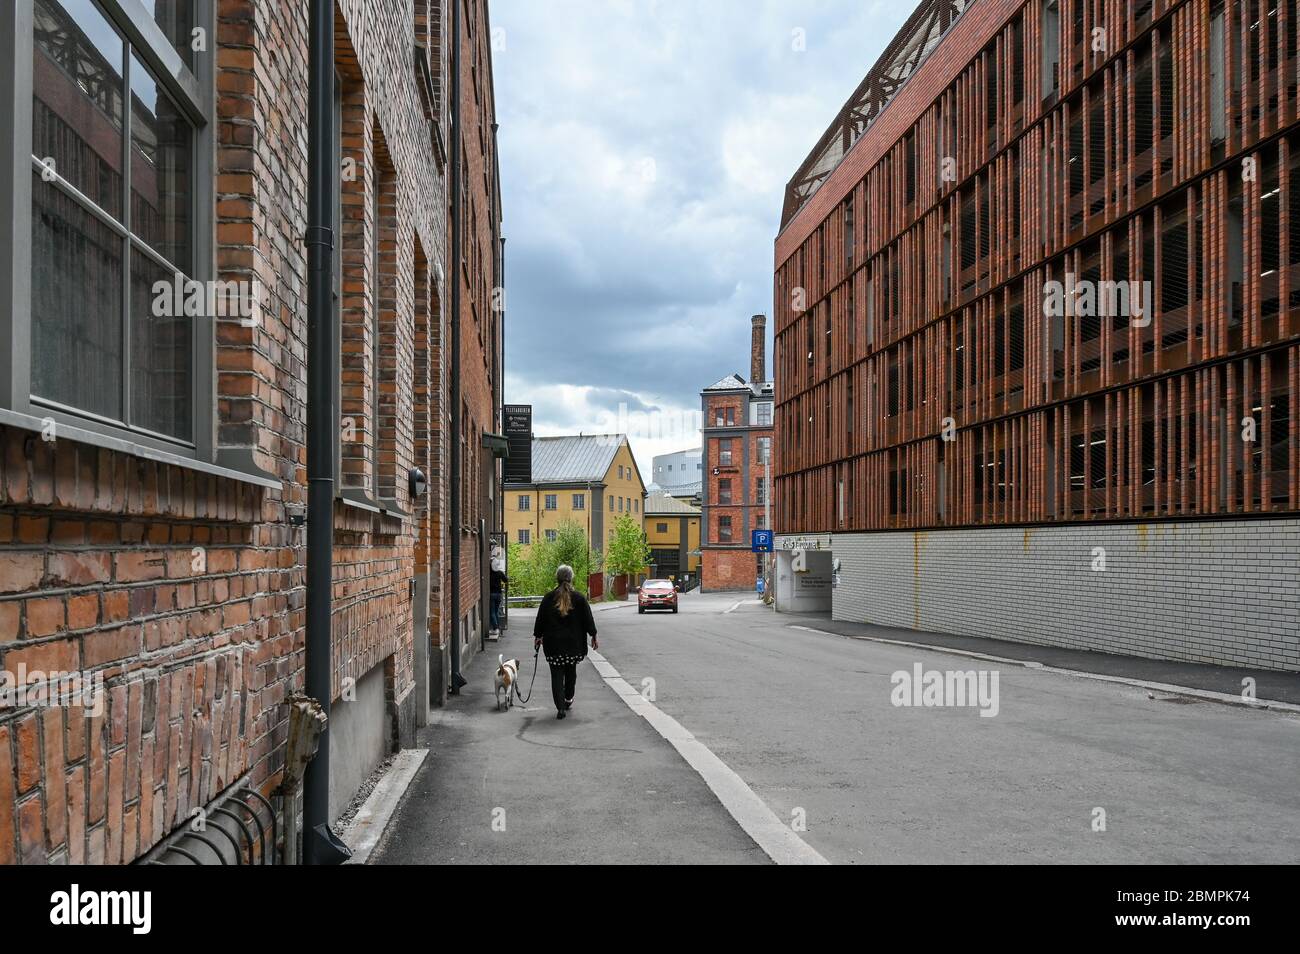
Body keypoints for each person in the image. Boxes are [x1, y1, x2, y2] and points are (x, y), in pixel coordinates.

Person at [533, 564, 598, 719]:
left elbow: (540, 619)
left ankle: (560, 708)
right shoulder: (580, 598)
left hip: (553, 645)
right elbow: (588, 619)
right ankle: (568, 698)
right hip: (573, 646)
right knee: (571, 672)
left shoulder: (549, 598)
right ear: (571, 578)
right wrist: (593, 635)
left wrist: (538, 636)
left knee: (556, 675)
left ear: (557, 578)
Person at [489, 561, 507, 635]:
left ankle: (495, 628)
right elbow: (505, 580)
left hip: (492, 594)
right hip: (499, 594)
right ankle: (497, 628)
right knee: (496, 611)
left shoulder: (489, 573)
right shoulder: (500, 573)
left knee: (492, 612)